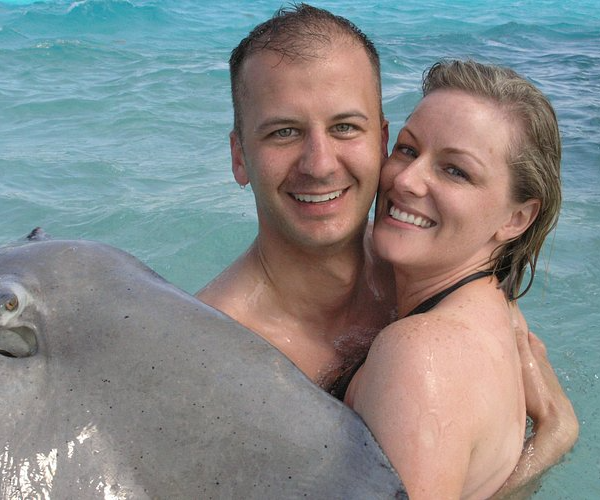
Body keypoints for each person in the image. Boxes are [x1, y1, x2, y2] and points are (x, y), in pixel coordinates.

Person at [196, 4, 578, 496]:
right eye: (283, 132)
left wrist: (553, 436)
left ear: (379, 140)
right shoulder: (216, 356)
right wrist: (552, 439)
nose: (319, 164)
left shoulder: (428, 275)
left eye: (344, 127)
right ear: (238, 156)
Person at [344, 59, 572, 499]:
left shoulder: (421, 354)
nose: (406, 180)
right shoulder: (498, 305)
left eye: (455, 171)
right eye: (407, 149)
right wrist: (555, 433)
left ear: (516, 218)